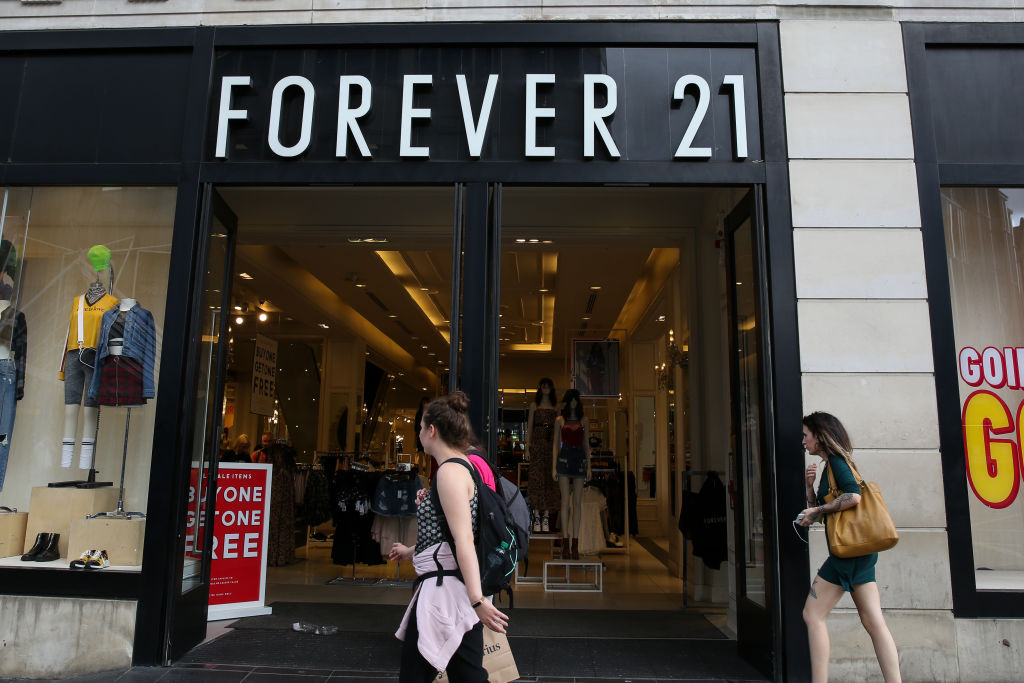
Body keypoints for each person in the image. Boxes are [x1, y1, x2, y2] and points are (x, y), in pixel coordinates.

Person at [390, 392, 508, 682]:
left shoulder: (449, 473)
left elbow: (464, 540)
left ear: (432, 431)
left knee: (418, 673)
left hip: (447, 592)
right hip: (454, 589)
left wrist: (477, 600)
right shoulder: (460, 467)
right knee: (467, 674)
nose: (418, 433)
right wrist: (411, 551)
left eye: (420, 427)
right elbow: (453, 534)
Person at [797, 411, 901, 683]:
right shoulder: (830, 466)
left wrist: (816, 508)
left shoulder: (836, 463)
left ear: (819, 436)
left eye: (806, 436)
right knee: (873, 622)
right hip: (858, 552)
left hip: (848, 553)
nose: (804, 442)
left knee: (812, 614)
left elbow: (853, 496)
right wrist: (810, 490)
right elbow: (823, 510)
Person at [552, 389, 590, 559]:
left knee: (577, 503)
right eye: (571, 400)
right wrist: (554, 467)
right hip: (565, 458)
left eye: (576, 400)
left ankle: (575, 543)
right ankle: (565, 543)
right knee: (565, 502)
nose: (574, 403)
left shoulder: (584, 420)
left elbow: (587, 444)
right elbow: (555, 445)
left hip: (580, 459)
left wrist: (589, 466)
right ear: (567, 402)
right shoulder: (560, 420)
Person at [526, 378, 560, 533]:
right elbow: (530, 427)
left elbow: (559, 431)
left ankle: (545, 515)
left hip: (551, 446)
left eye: (548, 386)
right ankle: (535, 515)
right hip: (538, 445)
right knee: (536, 479)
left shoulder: (556, 407)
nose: (546, 388)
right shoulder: (534, 406)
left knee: (548, 481)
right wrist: (527, 447)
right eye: (543, 386)